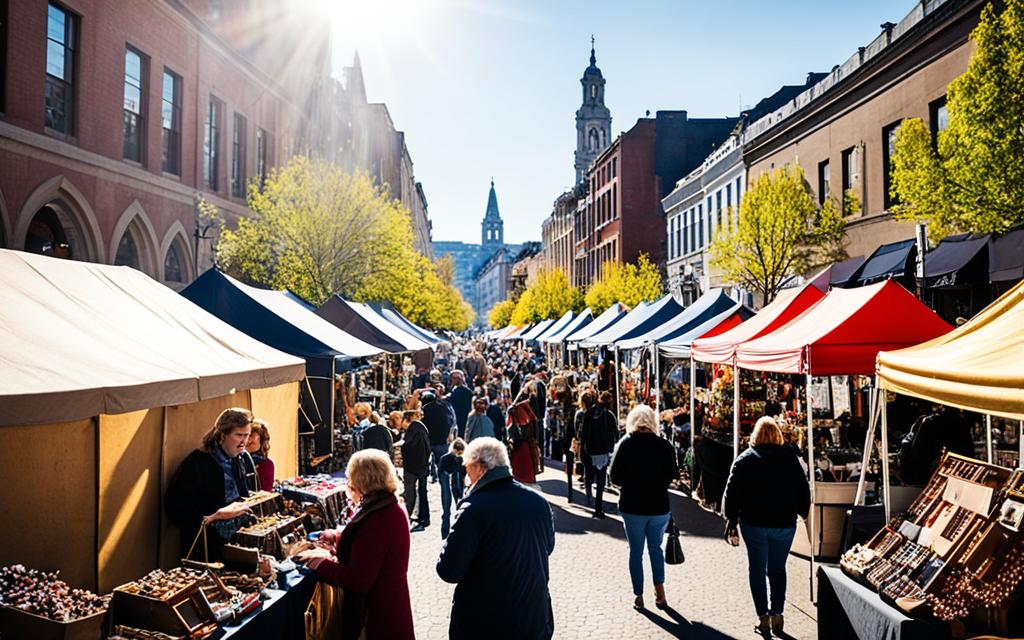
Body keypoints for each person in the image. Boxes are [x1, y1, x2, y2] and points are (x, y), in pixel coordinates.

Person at [436, 437, 555, 640]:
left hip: (486, 622)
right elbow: (548, 547)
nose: (466, 474)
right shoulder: (538, 502)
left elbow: (449, 570)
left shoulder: (473, 509)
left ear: (479, 467)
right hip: (534, 616)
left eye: (467, 468)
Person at [296, 450, 414, 640]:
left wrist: (321, 564)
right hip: (389, 606)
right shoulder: (388, 505)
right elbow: (368, 547)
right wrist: (337, 538)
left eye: (350, 477)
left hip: (378, 617)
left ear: (362, 480)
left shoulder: (379, 516)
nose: (348, 483)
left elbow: (359, 580)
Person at [723, 416, 810, 636]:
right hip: (783, 523)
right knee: (777, 569)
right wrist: (803, 511)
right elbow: (803, 488)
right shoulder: (790, 458)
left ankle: (763, 616)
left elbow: (731, 493)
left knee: (757, 569)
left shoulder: (745, 459)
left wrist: (731, 519)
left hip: (754, 523)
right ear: (778, 435)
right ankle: (777, 613)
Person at [609, 404, 679, 610]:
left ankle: (638, 595)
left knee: (635, 551)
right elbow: (673, 475)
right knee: (655, 549)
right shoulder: (664, 446)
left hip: (632, 506)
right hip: (658, 506)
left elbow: (614, 477)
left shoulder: (625, 444)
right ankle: (660, 592)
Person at [166, 408, 257, 559]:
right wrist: (216, 516)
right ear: (223, 435)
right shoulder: (198, 463)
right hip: (206, 548)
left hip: (236, 542)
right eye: (239, 435)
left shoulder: (240, 459)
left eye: (246, 435)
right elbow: (175, 508)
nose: (244, 442)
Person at [579, 391, 618, 517]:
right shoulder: (610, 415)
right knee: (601, 480)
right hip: (603, 451)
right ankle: (598, 508)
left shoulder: (589, 412)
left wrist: (583, 448)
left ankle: (589, 496)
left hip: (590, 450)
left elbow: (583, 432)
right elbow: (615, 433)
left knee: (590, 474)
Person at [398, 410, 431, 530]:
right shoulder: (421, 427)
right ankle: (424, 518)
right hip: (422, 465)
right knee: (422, 493)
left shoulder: (413, 428)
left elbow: (406, 444)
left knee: (410, 492)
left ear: (406, 420)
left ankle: (408, 516)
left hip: (413, 467)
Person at [438, 438, 467, 539]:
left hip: (454, 482)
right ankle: (449, 532)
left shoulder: (447, 458)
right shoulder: (457, 459)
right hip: (453, 482)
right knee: (449, 508)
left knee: (451, 508)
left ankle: (449, 532)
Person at [421, 389, 451, 483]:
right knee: (444, 469)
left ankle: (424, 490)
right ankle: (446, 493)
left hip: (429, 441)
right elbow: (450, 422)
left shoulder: (424, 410)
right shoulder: (443, 407)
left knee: (425, 467)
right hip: (442, 440)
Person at [246, 419, 275, 492]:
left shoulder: (266, 464)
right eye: (247, 436)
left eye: (252, 436)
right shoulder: (236, 459)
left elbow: (265, 491)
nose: (248, 441)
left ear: (262, 441)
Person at [447, 370, 473, 438]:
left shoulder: (455, 392)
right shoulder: (468, 391)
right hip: (465, 419)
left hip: (458, 418)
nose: (452, 380)